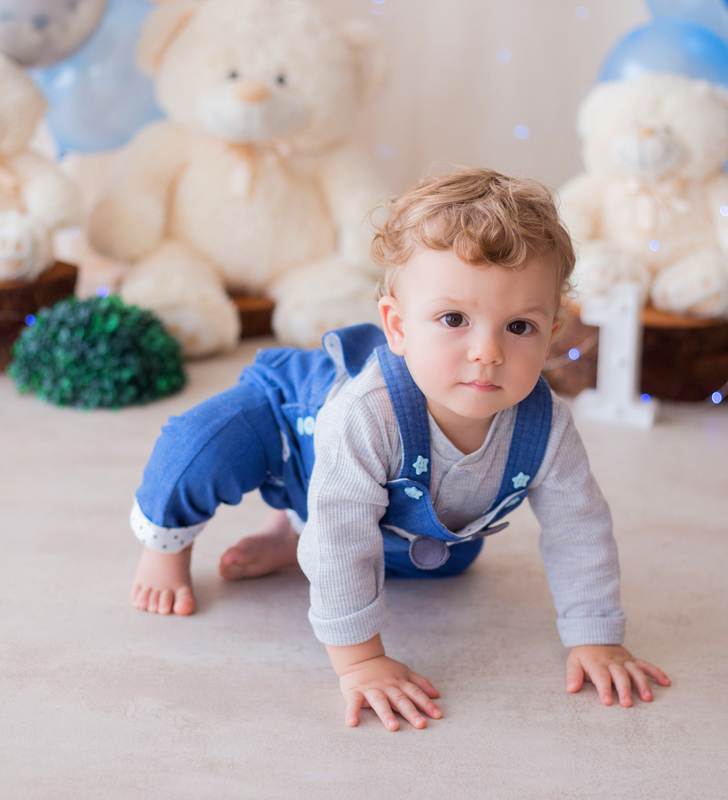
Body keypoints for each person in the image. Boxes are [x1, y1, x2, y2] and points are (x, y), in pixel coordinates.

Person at [129, 167, 670, 730]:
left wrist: (596, 635)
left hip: (408, 524)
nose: (487, 352)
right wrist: (360, 662)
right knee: (201, 446)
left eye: (519, 327)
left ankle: (291, 535)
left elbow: (579, 528)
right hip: (296, 434)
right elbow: (340, 537)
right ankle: (169, 544)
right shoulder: (368, 413)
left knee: (440, 564)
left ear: (553, 330)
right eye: (454, 319)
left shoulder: (547, 426)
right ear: (397, 326)